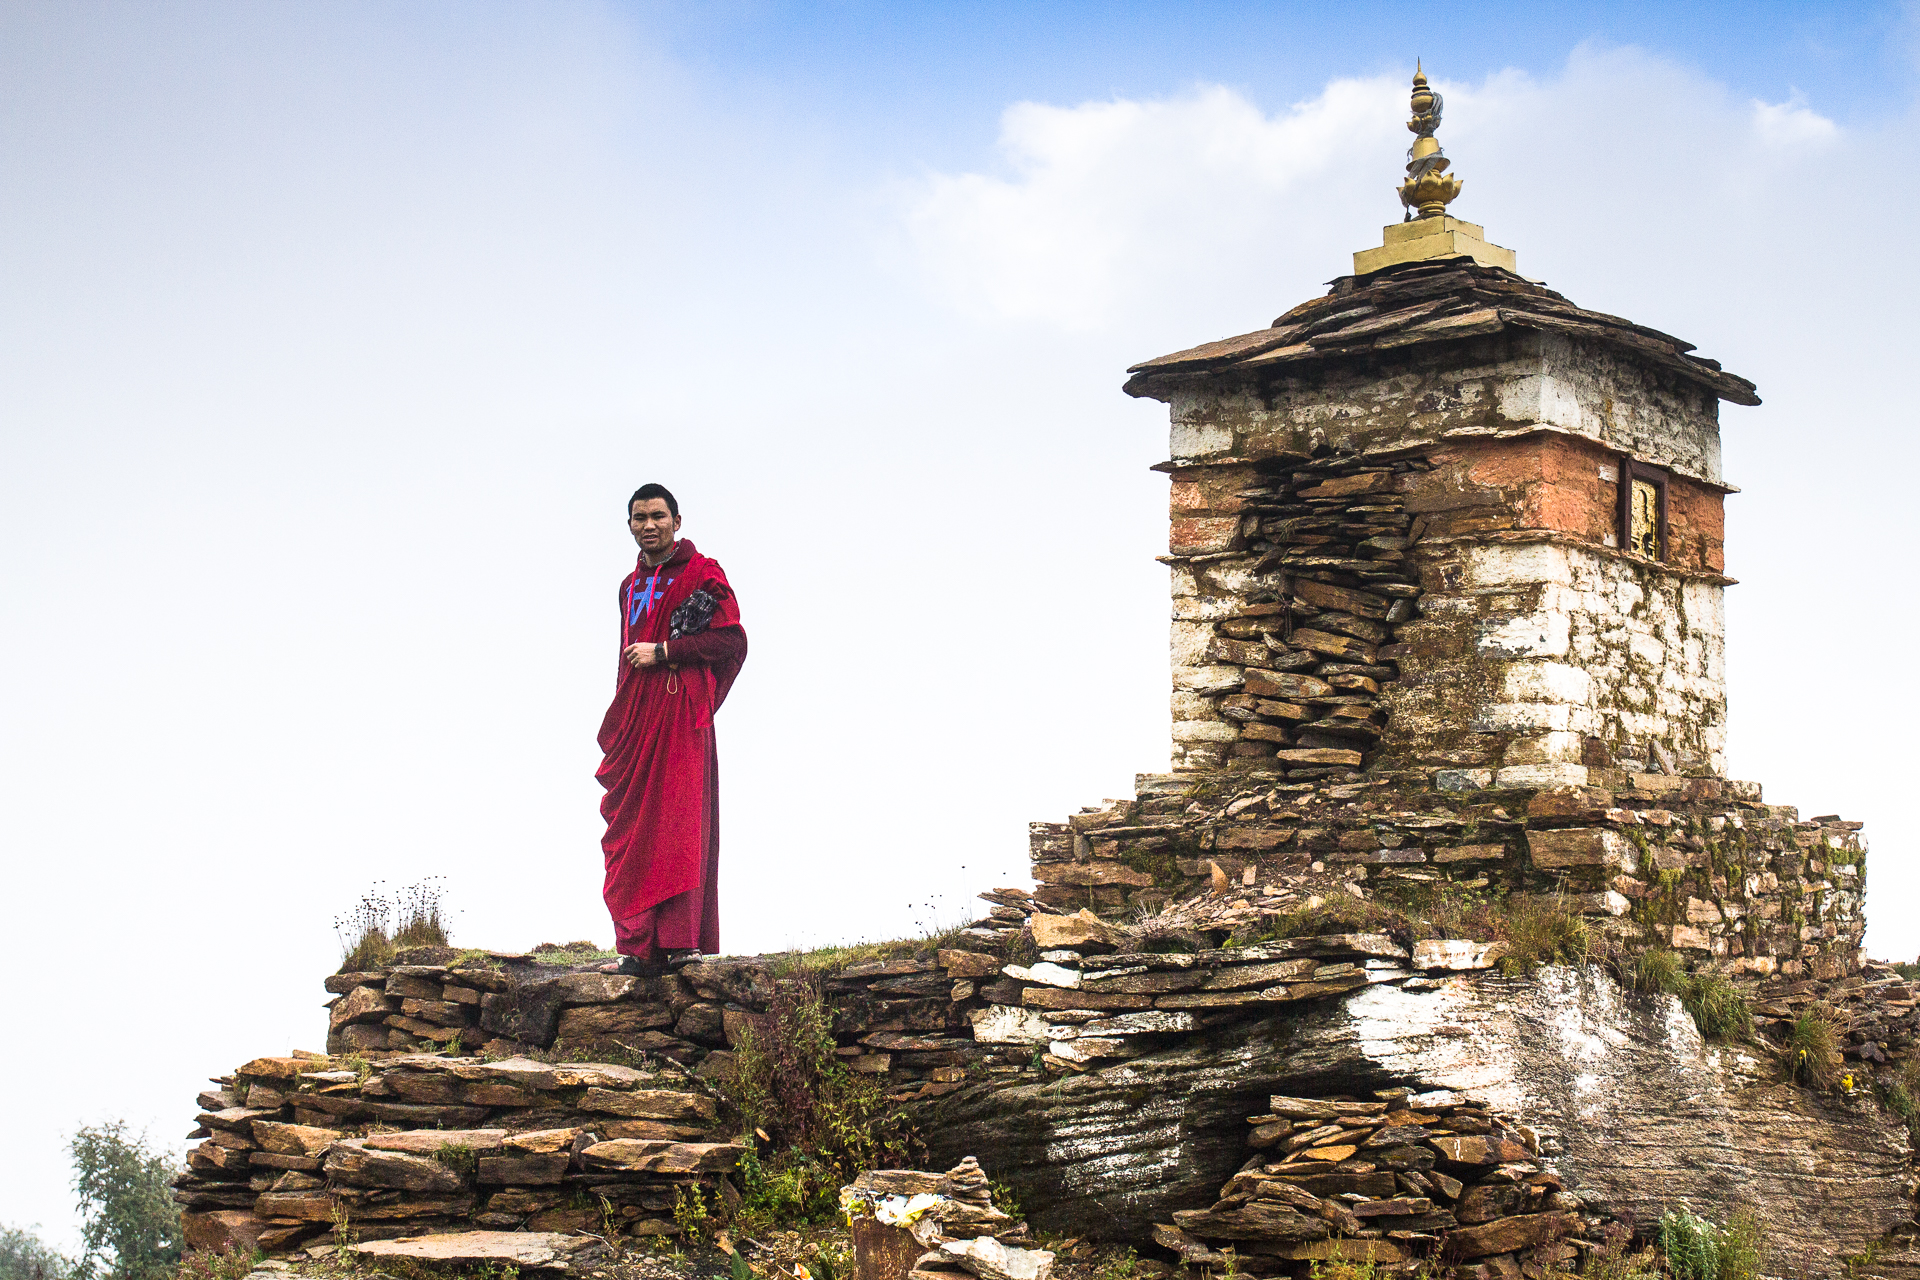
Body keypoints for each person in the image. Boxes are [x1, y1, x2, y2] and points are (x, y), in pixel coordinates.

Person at [595, 484, 747, 977]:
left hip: (681, 717)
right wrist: (620, 722)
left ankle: (682, 943)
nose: (649, 525)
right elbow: (625, 655)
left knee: (679, 827)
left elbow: (731, 639)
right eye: (639, 518)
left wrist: (667, 654)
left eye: (658, 516)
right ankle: (637, 946)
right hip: (637, 721)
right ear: (630, 526)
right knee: (636, 829)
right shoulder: (627, 586)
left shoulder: (703, 574)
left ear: (677, 522)